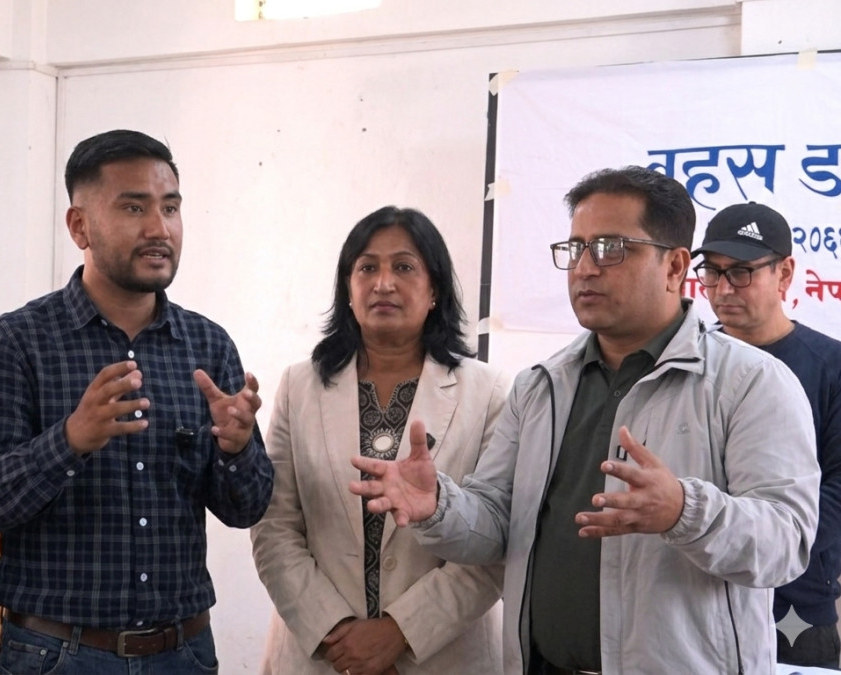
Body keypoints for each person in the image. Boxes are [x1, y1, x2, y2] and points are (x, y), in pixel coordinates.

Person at [349, 166, 820, 674]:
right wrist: (439, 506)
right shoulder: (540, 387)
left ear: (674, 266)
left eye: (611, 248)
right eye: (576, 249)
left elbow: (786, 543)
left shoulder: (749, 382)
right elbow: (495, 527)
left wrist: (683, 511)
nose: (585, 268)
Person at [0, 129, 273, 673]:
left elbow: (246, 509)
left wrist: (237, 449)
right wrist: (69, 441)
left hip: (184, 653)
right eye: (133, 207)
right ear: (79, 226)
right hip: (57, 654)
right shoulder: (18, 341)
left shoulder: (207, 345)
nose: (159, 229)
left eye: (170, 207)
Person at [250, 206, 508, 675]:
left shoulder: (488, 393)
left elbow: (497, 540)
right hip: (322, 655)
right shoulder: (299, 387)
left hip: (441, 657)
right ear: (347, 290)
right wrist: (336, 633)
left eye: (404, 267)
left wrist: (400, 632)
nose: (383, 283)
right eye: (367, 268)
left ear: (435, 290)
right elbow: (275, 527)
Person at [692, 201, 841, 669]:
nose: (722, 289)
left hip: (794, 604)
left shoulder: (830, 365)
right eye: (712, 272)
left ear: (785, 273)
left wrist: (763, 544)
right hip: (692, 599)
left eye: (741, 272)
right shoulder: (684, 361)